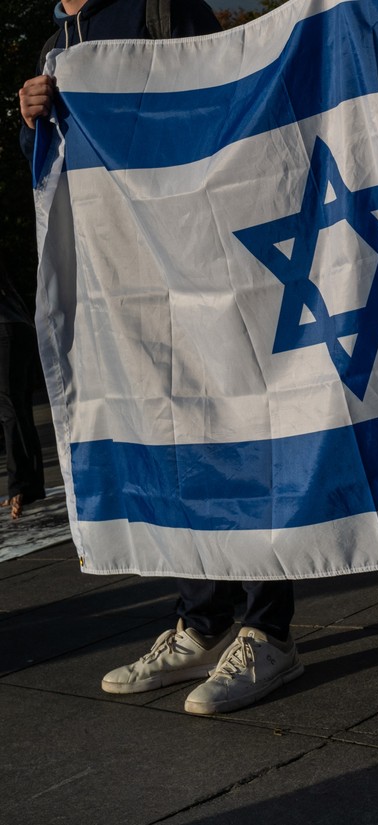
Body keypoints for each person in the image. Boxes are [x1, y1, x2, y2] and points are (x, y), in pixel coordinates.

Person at [17, 0, 302, 715]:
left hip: (197, 261)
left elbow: (225, 105)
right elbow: (56, 176)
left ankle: (268, 629)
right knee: (169, 443)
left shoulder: (159, 7)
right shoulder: (55, 43)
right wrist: (31, 121)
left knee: (233, 429)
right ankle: (202, 618)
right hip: (124, 282)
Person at [0, 262, 45, 521]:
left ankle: (19, 486)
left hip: (6, 329)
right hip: (19, 327)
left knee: (11, 411)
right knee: (19, 410)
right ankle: (29, 487)